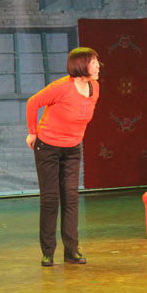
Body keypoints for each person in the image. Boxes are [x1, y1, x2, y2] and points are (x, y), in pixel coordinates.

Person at [25, 47, 100, 267]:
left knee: (71, 197)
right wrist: (32, 132)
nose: (98, 65)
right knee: (50, 199)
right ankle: (48, 252)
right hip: (47, 147)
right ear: (81, 66)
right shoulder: (61, 87)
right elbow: (32, 103)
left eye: (97, 61)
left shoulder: (94, 88)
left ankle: (71, 251)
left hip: (72, 149)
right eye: (93, 62)